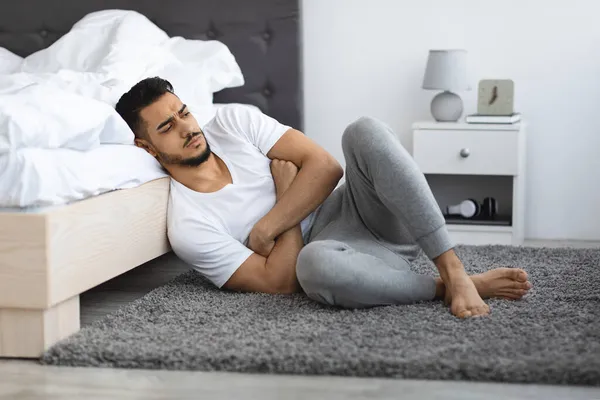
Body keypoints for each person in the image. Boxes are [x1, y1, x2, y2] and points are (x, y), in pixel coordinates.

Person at [115, 77, 532, 319]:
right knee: (313, 266)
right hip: (337, 259)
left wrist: (268, 227)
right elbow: (280, 282)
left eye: (183, 112)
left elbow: (327, 167)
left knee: (363, 131)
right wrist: (288, 199)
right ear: (147, 148)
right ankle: (443, 288)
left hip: (359, 211)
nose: (187, 127)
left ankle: (453, 268)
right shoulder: (188, 224)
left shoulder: (232, 120)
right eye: (167, 127)